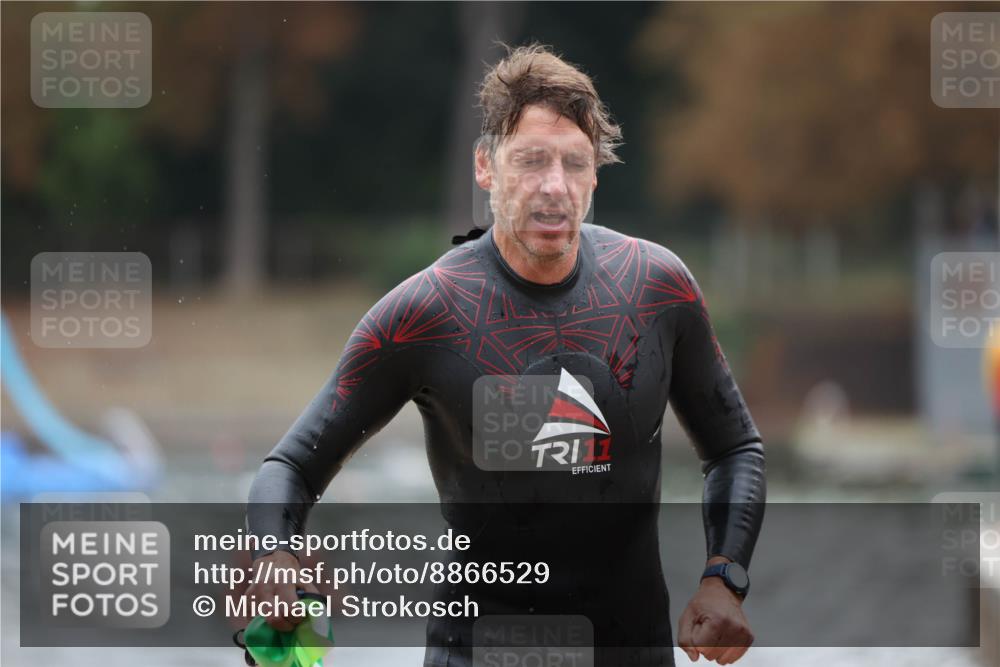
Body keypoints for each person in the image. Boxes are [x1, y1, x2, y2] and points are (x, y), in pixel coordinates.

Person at [245, 43, 766, 667]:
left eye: (575, 163)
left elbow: (735, 449)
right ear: (485, 167)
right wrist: (274, 555)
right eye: (531, 160)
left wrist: (724, 576)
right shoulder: (424, 313)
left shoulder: (656, 286)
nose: (555, 187)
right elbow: (292, 466)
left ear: (595, 175)